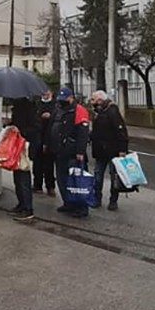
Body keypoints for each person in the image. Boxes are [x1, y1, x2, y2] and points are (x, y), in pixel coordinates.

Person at [51, 87, 91, 218]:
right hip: (60, 151)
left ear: (71, 98)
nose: (62, 101)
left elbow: (83, 133)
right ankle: (68, 203)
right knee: (62, 179)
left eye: (65, 99)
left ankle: (82, 207)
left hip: (73, 152)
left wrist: (80, 151)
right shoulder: (59, 109)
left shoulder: (79, 110)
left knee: (77, 181)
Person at [90, 90, 128, 211]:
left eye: (93, 99)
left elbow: (121, 131)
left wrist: (122, 150)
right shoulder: (98, 112)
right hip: (100, 151)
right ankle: (97, 198)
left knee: (114, 177)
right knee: (98, 175)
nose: (91, 102)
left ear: (100, 100)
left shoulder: (112, 111)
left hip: (113, 151)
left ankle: (113, 201)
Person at [8, 98, 38, 221]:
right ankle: (21, 204)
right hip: (17, 147)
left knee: (24, 179)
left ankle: (27, 209)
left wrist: (20, 130)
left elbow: (35, 128)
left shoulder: (28, 109)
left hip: (25, 147)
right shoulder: (18, 109)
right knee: (18, 178)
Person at [34, 90, 57, 197]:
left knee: (49, 164)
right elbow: (33, 118)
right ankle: (37, 185)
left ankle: (50, 186)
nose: (45, 94)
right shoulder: (37, 104)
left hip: (50, 138)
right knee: (37, 164)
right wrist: (40, 116)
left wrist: (50, 116)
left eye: (47, 92)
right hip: (38, 137)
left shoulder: (55, 105)